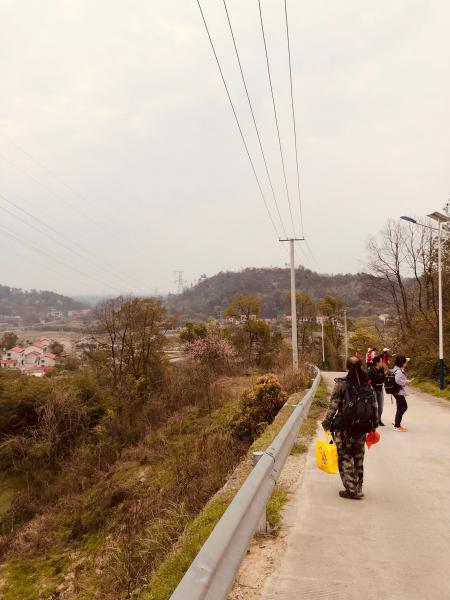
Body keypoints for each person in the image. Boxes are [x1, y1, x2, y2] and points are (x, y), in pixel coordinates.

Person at [322, 357, 378, 500]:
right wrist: (374, 425)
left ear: (347, 367)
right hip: (362, 427)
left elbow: (333, 405)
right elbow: (374, 406)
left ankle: (351, 490)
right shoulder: (367, 384)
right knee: (358, 456)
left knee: (345, 455)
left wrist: (327, 422)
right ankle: (358, 487)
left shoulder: (342, 384)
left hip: (344, 427)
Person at [391, 354, 411, 432]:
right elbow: (397, 380)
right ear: (402, 363)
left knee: (403, 407)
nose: (406, 363)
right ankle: (397, 426)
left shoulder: (397, 368)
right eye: (405, 362)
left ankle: (397, 421)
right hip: (398, 392)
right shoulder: (398, 371)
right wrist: (406, 382)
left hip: (397, 391)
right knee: (402, 407)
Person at [368, 355, 385, 425]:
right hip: (373, 389)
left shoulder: (381, 369)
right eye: (381, 361)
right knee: (374, 406)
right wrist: (380, 378)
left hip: (380, 389)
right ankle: (373, 420)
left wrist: (381, 378)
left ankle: (379, 419)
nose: (382, 362)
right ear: (377, 362)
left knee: (381, 406)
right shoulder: (371, 370)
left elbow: (383, 378)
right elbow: (370, 381)